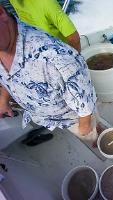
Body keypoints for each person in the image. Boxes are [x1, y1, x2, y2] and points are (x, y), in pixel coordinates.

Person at [0, 5, 96, 137]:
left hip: (72, 119)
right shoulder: (16, 5)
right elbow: (7, 75)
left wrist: (85, 127)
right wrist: (4, 98)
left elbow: (85, 103)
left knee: (93, 133)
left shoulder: (56, 58)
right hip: (41, 117)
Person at [9, 0, 81, 52]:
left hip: (60, 53)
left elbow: (74, 38)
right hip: (37, 50)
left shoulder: (46, 3)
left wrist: (75, 62)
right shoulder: (14, 1)